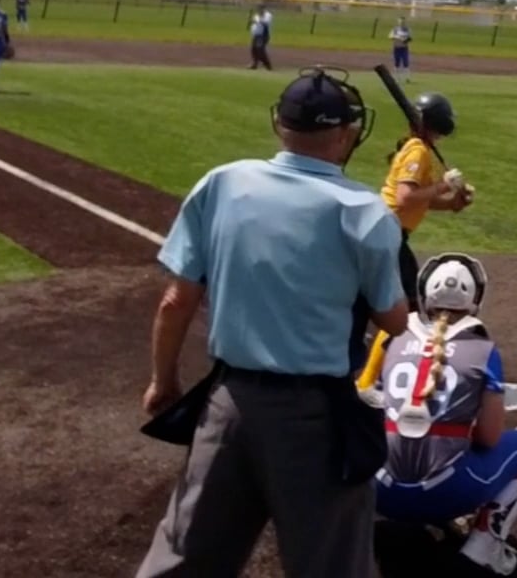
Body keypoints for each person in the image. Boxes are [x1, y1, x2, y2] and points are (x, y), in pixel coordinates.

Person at [135, 67, 409, 578]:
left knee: (183, 557)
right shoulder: (365, 211)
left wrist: (163, 381)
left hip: (227, 407)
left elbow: (175, 301)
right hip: (316, 420)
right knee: (333, 566)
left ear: (279, 125)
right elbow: (394, 320)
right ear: (347, 134)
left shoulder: (222, 182)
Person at [375, 253, 517, 576]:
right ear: (475, 300)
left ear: (425, 296)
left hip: (380, 495)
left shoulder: (394, 339)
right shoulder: (483, 350)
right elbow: (488, 437)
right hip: (447, 493)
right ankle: (484, 545)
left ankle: (350, 530)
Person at [354, 92, 473, 394]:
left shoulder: (418, 148)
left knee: (390, 303)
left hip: (385, 231)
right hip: (387, 233)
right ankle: (367, 381)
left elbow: (419, 201)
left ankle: (366, 368)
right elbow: (406, 197)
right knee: (404, 309)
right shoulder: (418, 151)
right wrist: (443, 186)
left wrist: (452, 203)